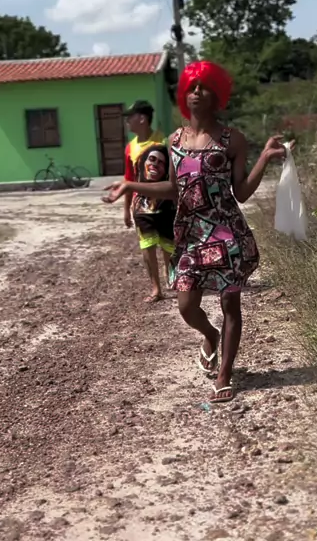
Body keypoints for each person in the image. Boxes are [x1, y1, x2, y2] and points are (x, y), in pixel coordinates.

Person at [104, 62, 292, 402]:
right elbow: (174, 188)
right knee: (186, 305)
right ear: (183, 95)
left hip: (226, 231)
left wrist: (264, 157)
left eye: (203, 87)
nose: (196, 93)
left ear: (216, 96)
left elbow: (241, 192)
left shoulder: (232, 140)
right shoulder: (175, 140)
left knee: (230, 302)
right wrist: (131, 185)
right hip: (191, 233)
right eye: (191, 87)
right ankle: (210, 334)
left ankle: (224, 373)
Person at [111, 99, 176, 303]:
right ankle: (156, 289)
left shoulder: (163, 142)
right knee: (147, 246)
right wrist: (126, 209)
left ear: (142, 118)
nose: (127, 122)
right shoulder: (130, 148)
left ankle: (172, 279)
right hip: (141, 206)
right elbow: (128, 180)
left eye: (129, 117)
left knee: (168, 246)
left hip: (165, 204)